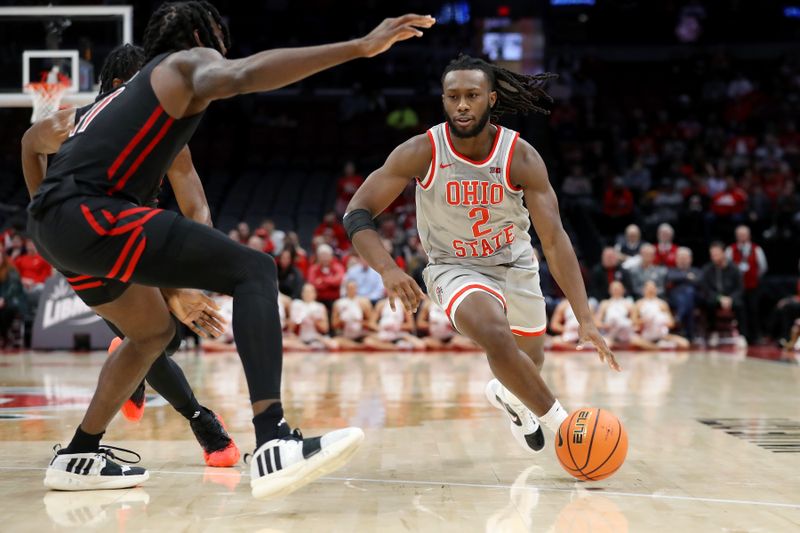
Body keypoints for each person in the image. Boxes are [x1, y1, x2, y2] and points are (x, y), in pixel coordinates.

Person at [24, 1, 434, 497]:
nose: (224, 46)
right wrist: (360, 47)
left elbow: (31, 142)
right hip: (87, 213)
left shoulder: (110, 103)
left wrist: (54, 223)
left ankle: (79, 453)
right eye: (219, 33)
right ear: (200, 34)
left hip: (56, 225)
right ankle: (273, 440)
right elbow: (247, 73)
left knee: (151, 333)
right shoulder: (182, 64)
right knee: (255, 269)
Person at [345, 55, 618, 457]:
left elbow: (555, 241)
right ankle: (566, 430)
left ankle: (509, 399)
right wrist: (387, 268)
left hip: (516, 265)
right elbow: (357, 212)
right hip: (453, 267)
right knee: (493, 332)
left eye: (472, 95)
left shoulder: (521, 156)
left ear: (490, 98)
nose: (462, 105)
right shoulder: (422, 151)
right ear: (443, 100)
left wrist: (586, 319)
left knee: (527, 365)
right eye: (453, 96)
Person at [21, 43, 240, 468]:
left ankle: (131, 371)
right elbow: (31, 142)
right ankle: (203, 424)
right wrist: (41, 206)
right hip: (89, 236)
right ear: (122, 87)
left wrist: (193, 269)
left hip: (128, 231)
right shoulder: (78, 122)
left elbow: (196, 205)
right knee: (153, 336)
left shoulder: (166, 133)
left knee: (162, 337)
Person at [725, 225, 767, 343]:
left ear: (749, 236)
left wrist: (753, 277)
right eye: (740, 235)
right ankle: (742, 336)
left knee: (754, 310)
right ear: (736, 236)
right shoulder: (730, 249)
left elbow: (763, 268)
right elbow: (727, 268)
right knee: (740, 311)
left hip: (752, 286)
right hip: (736, 288)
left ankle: (756, 336)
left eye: (744, 234)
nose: (742, 237)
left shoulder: (756, 249)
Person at [701, 242, 746, 346]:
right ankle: (713, 332)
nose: (713, 257)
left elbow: (740, 288)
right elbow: (706, 289)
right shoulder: (707, 269)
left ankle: (742, 335)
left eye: (716, 254)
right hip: (716, 298)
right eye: (712, 255)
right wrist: (719, 298)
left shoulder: (734, 268)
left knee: (740, 304)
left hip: (731, 298)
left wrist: (730, 298)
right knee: (709, 303)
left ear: (723, 254)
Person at [595, 281, 650, 350]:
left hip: (627, 334)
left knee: (643, 343)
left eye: (618, 289)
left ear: (623, 290)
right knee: (602, 346)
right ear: (609, 290)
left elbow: (634, 322)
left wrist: (630, 323)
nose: (616, 291)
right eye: (614, 289)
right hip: (611, 334)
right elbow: (597, 323)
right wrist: (605, 326)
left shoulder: (629, 304)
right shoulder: (605, 304)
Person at [635, 281, 690, 349]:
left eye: (652, 288)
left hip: (662, 335)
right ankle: (655, 347)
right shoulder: (638, 304)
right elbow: (633, 323)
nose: (650, 290)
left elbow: (671, 323)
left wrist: (662, 321)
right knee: (635, 341)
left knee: (685, 343)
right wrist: (645, 320)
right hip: (646, 336)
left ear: (656, 289)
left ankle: (657, 347)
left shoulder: (663, 304)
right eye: (648, 288)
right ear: (644, 290)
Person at [665, 247, 702, 341]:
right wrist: (687, 277)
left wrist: (681, 279)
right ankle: (690, 334)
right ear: (676, 259)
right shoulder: (671, 270)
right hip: (675, 300)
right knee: (687, 296)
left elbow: (699, 282)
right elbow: (670, 278)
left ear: (690, 259)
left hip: (694, 299)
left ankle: (679, 317)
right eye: (680, 258)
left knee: (689, 292)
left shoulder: (696, 271)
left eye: (685, 258)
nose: (682, 260)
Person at [290, 283, 338, 351]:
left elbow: (325, 329)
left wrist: (314, 319)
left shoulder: (320, 306)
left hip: (316, 338)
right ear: (302, 293)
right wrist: (296, 319)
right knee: (285, 342)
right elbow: (291, 329)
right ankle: (305, 347)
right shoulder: (297, 304)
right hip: (301, 339)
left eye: (310, 292)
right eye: (305, 291)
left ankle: (308, 347)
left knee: (333, 344)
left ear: (315, 294)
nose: (307, 294)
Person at [331, 280, 372, 349]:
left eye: (353, 288)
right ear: (346, 290)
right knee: (334, 342)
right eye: (349, 288)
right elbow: (334, 325)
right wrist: (342, 321)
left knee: (369, 341)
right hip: (345, 335)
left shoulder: (364, 302)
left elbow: (371, 324)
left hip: (361, 334)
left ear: (357, 289)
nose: (351, 290)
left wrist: (360, 322)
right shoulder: (338, 303)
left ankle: (357, 346)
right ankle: (358, 347)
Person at [0, 250, 27, 347]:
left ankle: (5, 336)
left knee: (5, 311)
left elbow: (13, 287)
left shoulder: (11, 270)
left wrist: (3, 298)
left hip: (13, 300)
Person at [307, 243, 346, 310]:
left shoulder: (337, 267)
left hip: (335, 299)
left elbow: (338, 281)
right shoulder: (313, 269)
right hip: (318, 300)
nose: (325, 258)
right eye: (322, 256)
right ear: (318, 257)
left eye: (326, 255)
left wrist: (322, 280)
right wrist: (331, 282)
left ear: (331, 256)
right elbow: (312, 283)